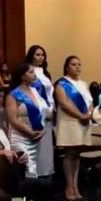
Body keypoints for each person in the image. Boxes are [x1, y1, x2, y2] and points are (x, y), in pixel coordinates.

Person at [4, 62, 54, 201]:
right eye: (31, 72)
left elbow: (45, 112)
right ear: (23, 75)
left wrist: (42, 128)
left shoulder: (36, 91)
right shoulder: (13, 95)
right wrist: (29, 132)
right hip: (21, 140)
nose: (35, 74)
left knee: (37, 185)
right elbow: (13, 119)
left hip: (37, 140)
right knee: (27, 185)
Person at [55, 55, 93, 201]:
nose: (77, 67)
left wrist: (89, 114)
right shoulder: (61, 84)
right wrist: (80, 116)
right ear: (67, 67)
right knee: (70, 154)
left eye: (79, 64)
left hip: (83, 122)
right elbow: (64, 103)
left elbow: (90, 101)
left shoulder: (84, 84)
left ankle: (76, 186)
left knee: (77, 155)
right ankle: (69, 187)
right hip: (69, 121)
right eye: (73, 64)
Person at [24, 45, 56, 179]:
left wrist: (52, 109)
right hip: (35, 114)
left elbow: (50, 95)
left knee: (46, 150)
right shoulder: (28, 72)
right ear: (31, 56)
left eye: (42, 55)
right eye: (37, 54)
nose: (40, 57)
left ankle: (46, 176)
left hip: (48, 115)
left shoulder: (45, 74)